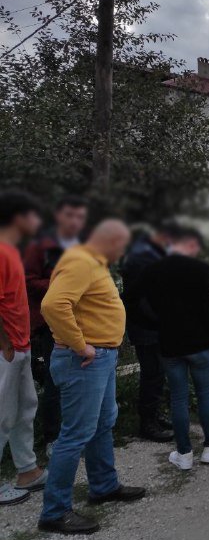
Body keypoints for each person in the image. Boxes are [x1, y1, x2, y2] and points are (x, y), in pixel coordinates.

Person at [39, 219, 145, 535]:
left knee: (102, 423)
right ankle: (54, 512)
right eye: (121, 244)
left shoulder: (93, 263)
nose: (123, 251)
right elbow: (53, 304)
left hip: (100, 358)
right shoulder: (81, 261)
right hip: (84, 360)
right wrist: (81, 345)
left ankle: (103, 486)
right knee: (75, 434)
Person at [133, 227, 209, 471]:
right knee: (205, 394)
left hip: (169, 344)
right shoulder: (200, 269)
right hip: (198, 343)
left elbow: (136, 301)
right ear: (190, 244)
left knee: (178, 398)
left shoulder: (153, 270)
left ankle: (184, 454)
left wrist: (158, 323)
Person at [24, 194, 89, 454]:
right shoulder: (41, 246)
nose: (75, 221)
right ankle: (53, 438)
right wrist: (59, 287)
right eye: (70, 215)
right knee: (56, 380)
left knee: (79, 380)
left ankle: (77, 434)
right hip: (51, 324)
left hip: (83, 323)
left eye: (80, 216)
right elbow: (27, 280)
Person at [0, 190, 48, 507]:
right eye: (32, 215)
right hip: (6, 348)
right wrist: (5, 343)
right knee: (1, 414)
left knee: (23, 410)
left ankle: (27, 470)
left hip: (20, 344)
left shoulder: (12, 251)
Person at [119, 224, 178, 443]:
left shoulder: (146, 256)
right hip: (146, 327)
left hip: (152, 326)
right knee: (151, 374)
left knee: (157, 373)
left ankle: (153, 415)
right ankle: (147, 424)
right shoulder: (139, 260)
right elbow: (140, 299)